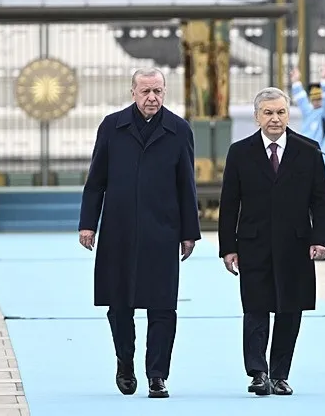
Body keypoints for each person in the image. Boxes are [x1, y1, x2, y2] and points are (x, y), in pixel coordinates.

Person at [77, 67, 201, 399]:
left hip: (162, 232)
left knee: (163, 306)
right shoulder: (112, 127)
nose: (152, 98)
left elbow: (186, 186)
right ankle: (125, 364)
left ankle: (157, 375)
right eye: (145, 91)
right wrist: (88, 223)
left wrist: (189, 232)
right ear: (132, 92)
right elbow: (96, 180)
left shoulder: (179, 130)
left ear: (165, 92)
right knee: (120, 305)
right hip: (118, 231)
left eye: (158, 91)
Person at [218, 86, 325, 396]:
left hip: (296, 245)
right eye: (268, 113)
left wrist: (320, 239)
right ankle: (258, 373)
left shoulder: (308, 149)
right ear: (257, 117)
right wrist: (228, 247)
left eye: (280, 112)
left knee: (289, 310)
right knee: (256, 308)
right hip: (253, 244)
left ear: (288, 114)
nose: (275, 119)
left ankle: (280, 374)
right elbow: (229, 203)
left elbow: (320, 200)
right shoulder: (239, 152)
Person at [290, 64, 325, 223]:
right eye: (315, 99)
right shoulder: (310, 112)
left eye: (319, 98)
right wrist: (295, 82)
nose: (316, 101)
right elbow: (301, 101)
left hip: (324, 157)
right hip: (308, 156)